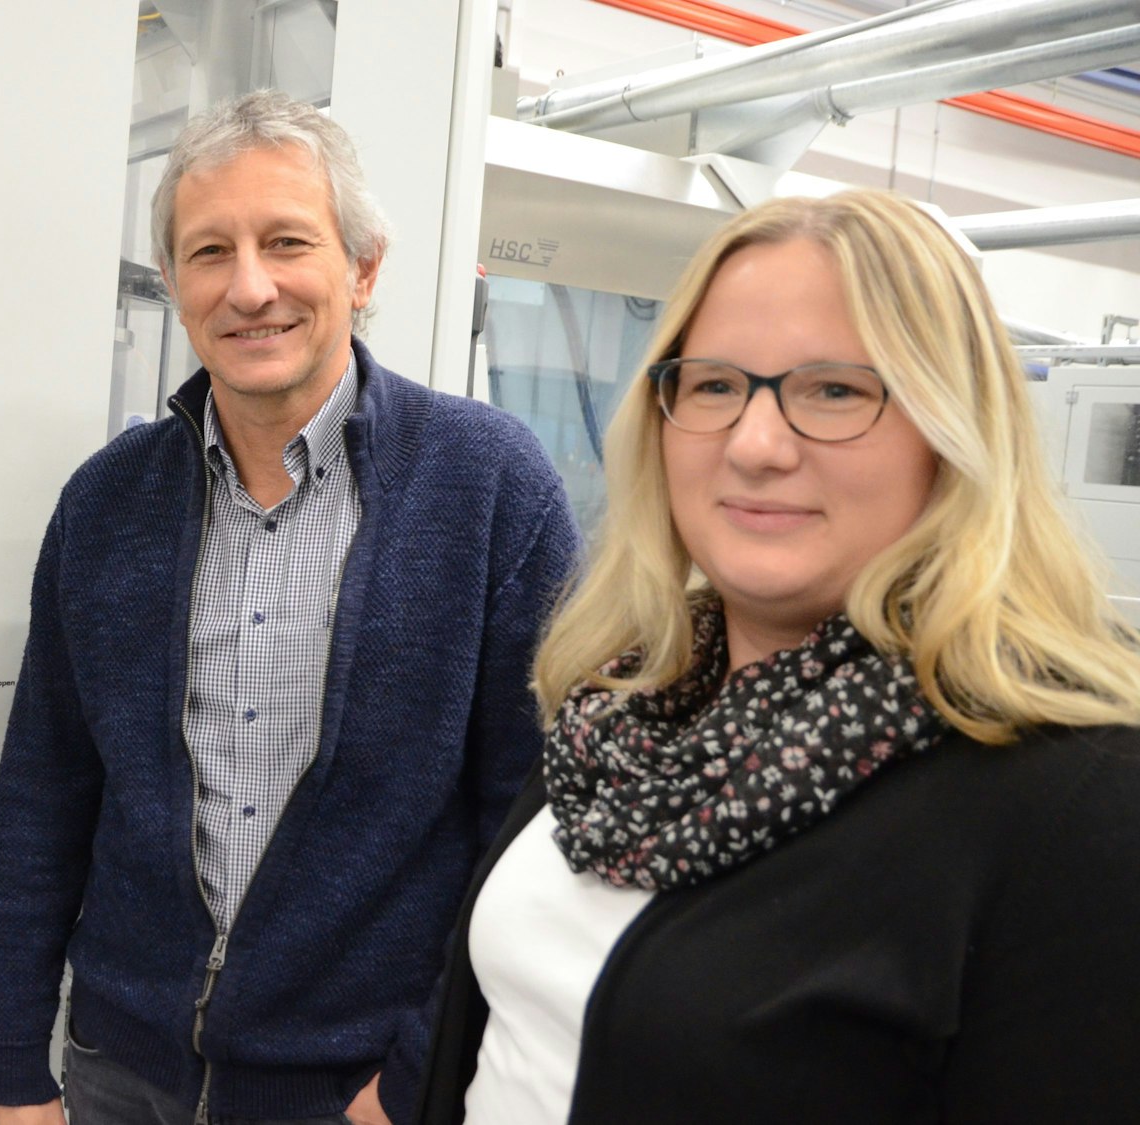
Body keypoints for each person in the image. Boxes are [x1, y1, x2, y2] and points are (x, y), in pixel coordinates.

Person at [413, 189, 1140, 1124]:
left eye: (834, 389)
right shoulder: (626, 702)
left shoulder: (1076, 793)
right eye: (715, 385)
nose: (756, 445)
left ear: (953, 430)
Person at [0, 90, 580, 1125]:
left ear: (362, 267)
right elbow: (41, 799)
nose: (250, 288)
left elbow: (530, 822)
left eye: (286, 242)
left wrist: (419, 1070)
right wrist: (9, 1072)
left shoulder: (486, 486)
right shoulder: (105, 503)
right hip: (120, 1071)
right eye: (209, 253)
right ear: (172, 282)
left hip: (353, 1088)